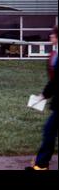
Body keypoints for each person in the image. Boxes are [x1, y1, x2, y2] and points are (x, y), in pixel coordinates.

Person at [26, 25, 58, 170]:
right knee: (49, 130)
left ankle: (42, 164)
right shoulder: (55, 53)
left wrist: (44, 94)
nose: (50, 37)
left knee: (49, 130)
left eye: (53, 35)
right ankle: (41, 163)